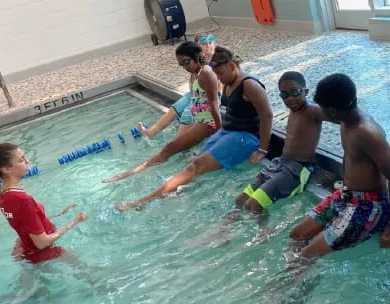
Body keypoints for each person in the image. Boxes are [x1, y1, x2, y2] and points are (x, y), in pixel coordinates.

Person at [115, 46, 273, 211]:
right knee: (194, 165)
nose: (217, 78)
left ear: (232, 66)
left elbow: (267, 115)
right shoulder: (229, 83)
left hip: (244, 138)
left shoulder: (250, 85)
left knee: (195, 166)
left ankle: (142, 201)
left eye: (219, 73)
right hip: (228, 133)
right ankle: (170, 193)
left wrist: (262, 149)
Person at [289, 73, 390, 257]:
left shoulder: (367, 133)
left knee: (308, 254)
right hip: (346, 196)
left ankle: (292, 281)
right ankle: (294, 277)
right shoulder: (345, 121)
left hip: (368, 206)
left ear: (332, 110)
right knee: (296, 235)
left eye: (322, 108)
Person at [221, 71, 322, 241]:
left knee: (253, 204)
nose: (289, 98)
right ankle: (221, 232)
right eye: (284, 94)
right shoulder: (294, 109)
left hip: (297, 169)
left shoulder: (312, 110)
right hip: (280, 164)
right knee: (240, 200)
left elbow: (339, 117)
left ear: (306, 91)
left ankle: (264, 231)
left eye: (295, 92)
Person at [102, 41, 221, 183]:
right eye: (180, 64)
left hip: (208, 123)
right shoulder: (195, 73)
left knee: (170, 148)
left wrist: (220, 131)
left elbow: (214, 104)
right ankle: (141, 171)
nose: (183, 67)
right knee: (178, 148)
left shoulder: (206, 73)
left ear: (197, 56)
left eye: (185, 62)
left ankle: (134, 171)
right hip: (199, 121)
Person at [0, 142, 88, 264]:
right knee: (89, 273)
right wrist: (75, 222)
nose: (27, 161)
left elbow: (25, 221)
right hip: (45, 252)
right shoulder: (23, 199)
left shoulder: (4, 195)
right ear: (7, 169)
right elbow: (42, 243)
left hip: (28, 250)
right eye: (21, 160)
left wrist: (60, 214)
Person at [137, 33, 219, 139]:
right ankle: (152, 132)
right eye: (203, 43)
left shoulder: (215, 63)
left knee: (187, 112)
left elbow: (217, 91)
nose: (208, 44)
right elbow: (193, 86)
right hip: (195, 95)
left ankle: (179, 141)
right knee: (174, 109)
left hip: (203, 98)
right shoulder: (197, 66)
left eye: (210, 41)